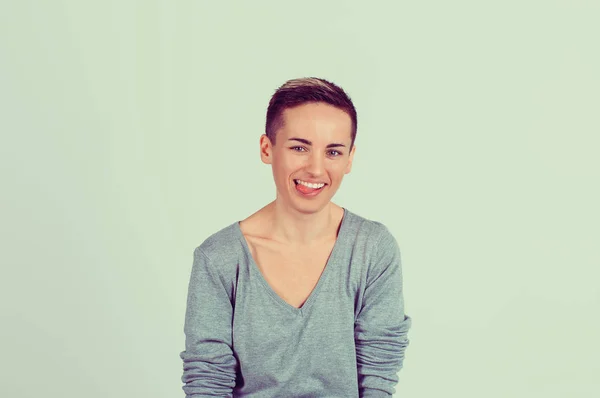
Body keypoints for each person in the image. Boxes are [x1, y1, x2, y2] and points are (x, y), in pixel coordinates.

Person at [180, 77, 411, 397]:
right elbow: (207, 380)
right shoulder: (219, 258)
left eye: (333, 151)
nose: (316, 169)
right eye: (299, 147)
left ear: (349, 159)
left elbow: (378, 373)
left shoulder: (372, 249)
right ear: (267, 148)